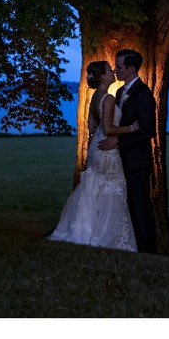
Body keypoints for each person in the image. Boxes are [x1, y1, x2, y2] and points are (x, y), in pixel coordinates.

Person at [48, 61, 138, 252]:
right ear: (104, 76)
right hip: (107, 151)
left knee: (95, 190)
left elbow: (91, 128)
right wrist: (131, 128)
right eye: (109, 70)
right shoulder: (109, 98)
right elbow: (107, 128)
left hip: (96, 149)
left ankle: (90, 230)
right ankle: (107, 235)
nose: (113, 72)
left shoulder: (94, 97)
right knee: (114, 190)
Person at [98, 49, 157, 253]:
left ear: (131, 69)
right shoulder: (121, 92)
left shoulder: (143, 94)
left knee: (140, 204)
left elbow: (148, 130)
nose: (116, 70)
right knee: (129, 204)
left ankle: (148, 250)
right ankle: (134, 245)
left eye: (119, 67)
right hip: (122, 160)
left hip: (137, 161)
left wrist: (120, 143)